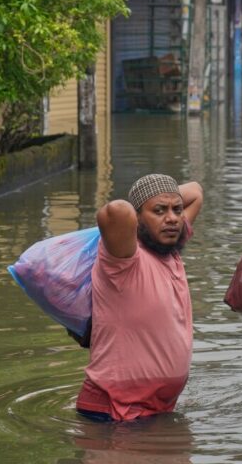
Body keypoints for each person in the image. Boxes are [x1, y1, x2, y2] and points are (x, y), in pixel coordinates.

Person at [76, 173, 204, 422]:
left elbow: (196, 191)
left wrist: (160, 197)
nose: (172, 219)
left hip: (157, 412)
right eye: (159, 210)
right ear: (136, 220)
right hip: (113, 415)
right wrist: (147, 196)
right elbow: (116, 211)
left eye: (177, 210)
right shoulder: (124, 259)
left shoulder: (171, 248)